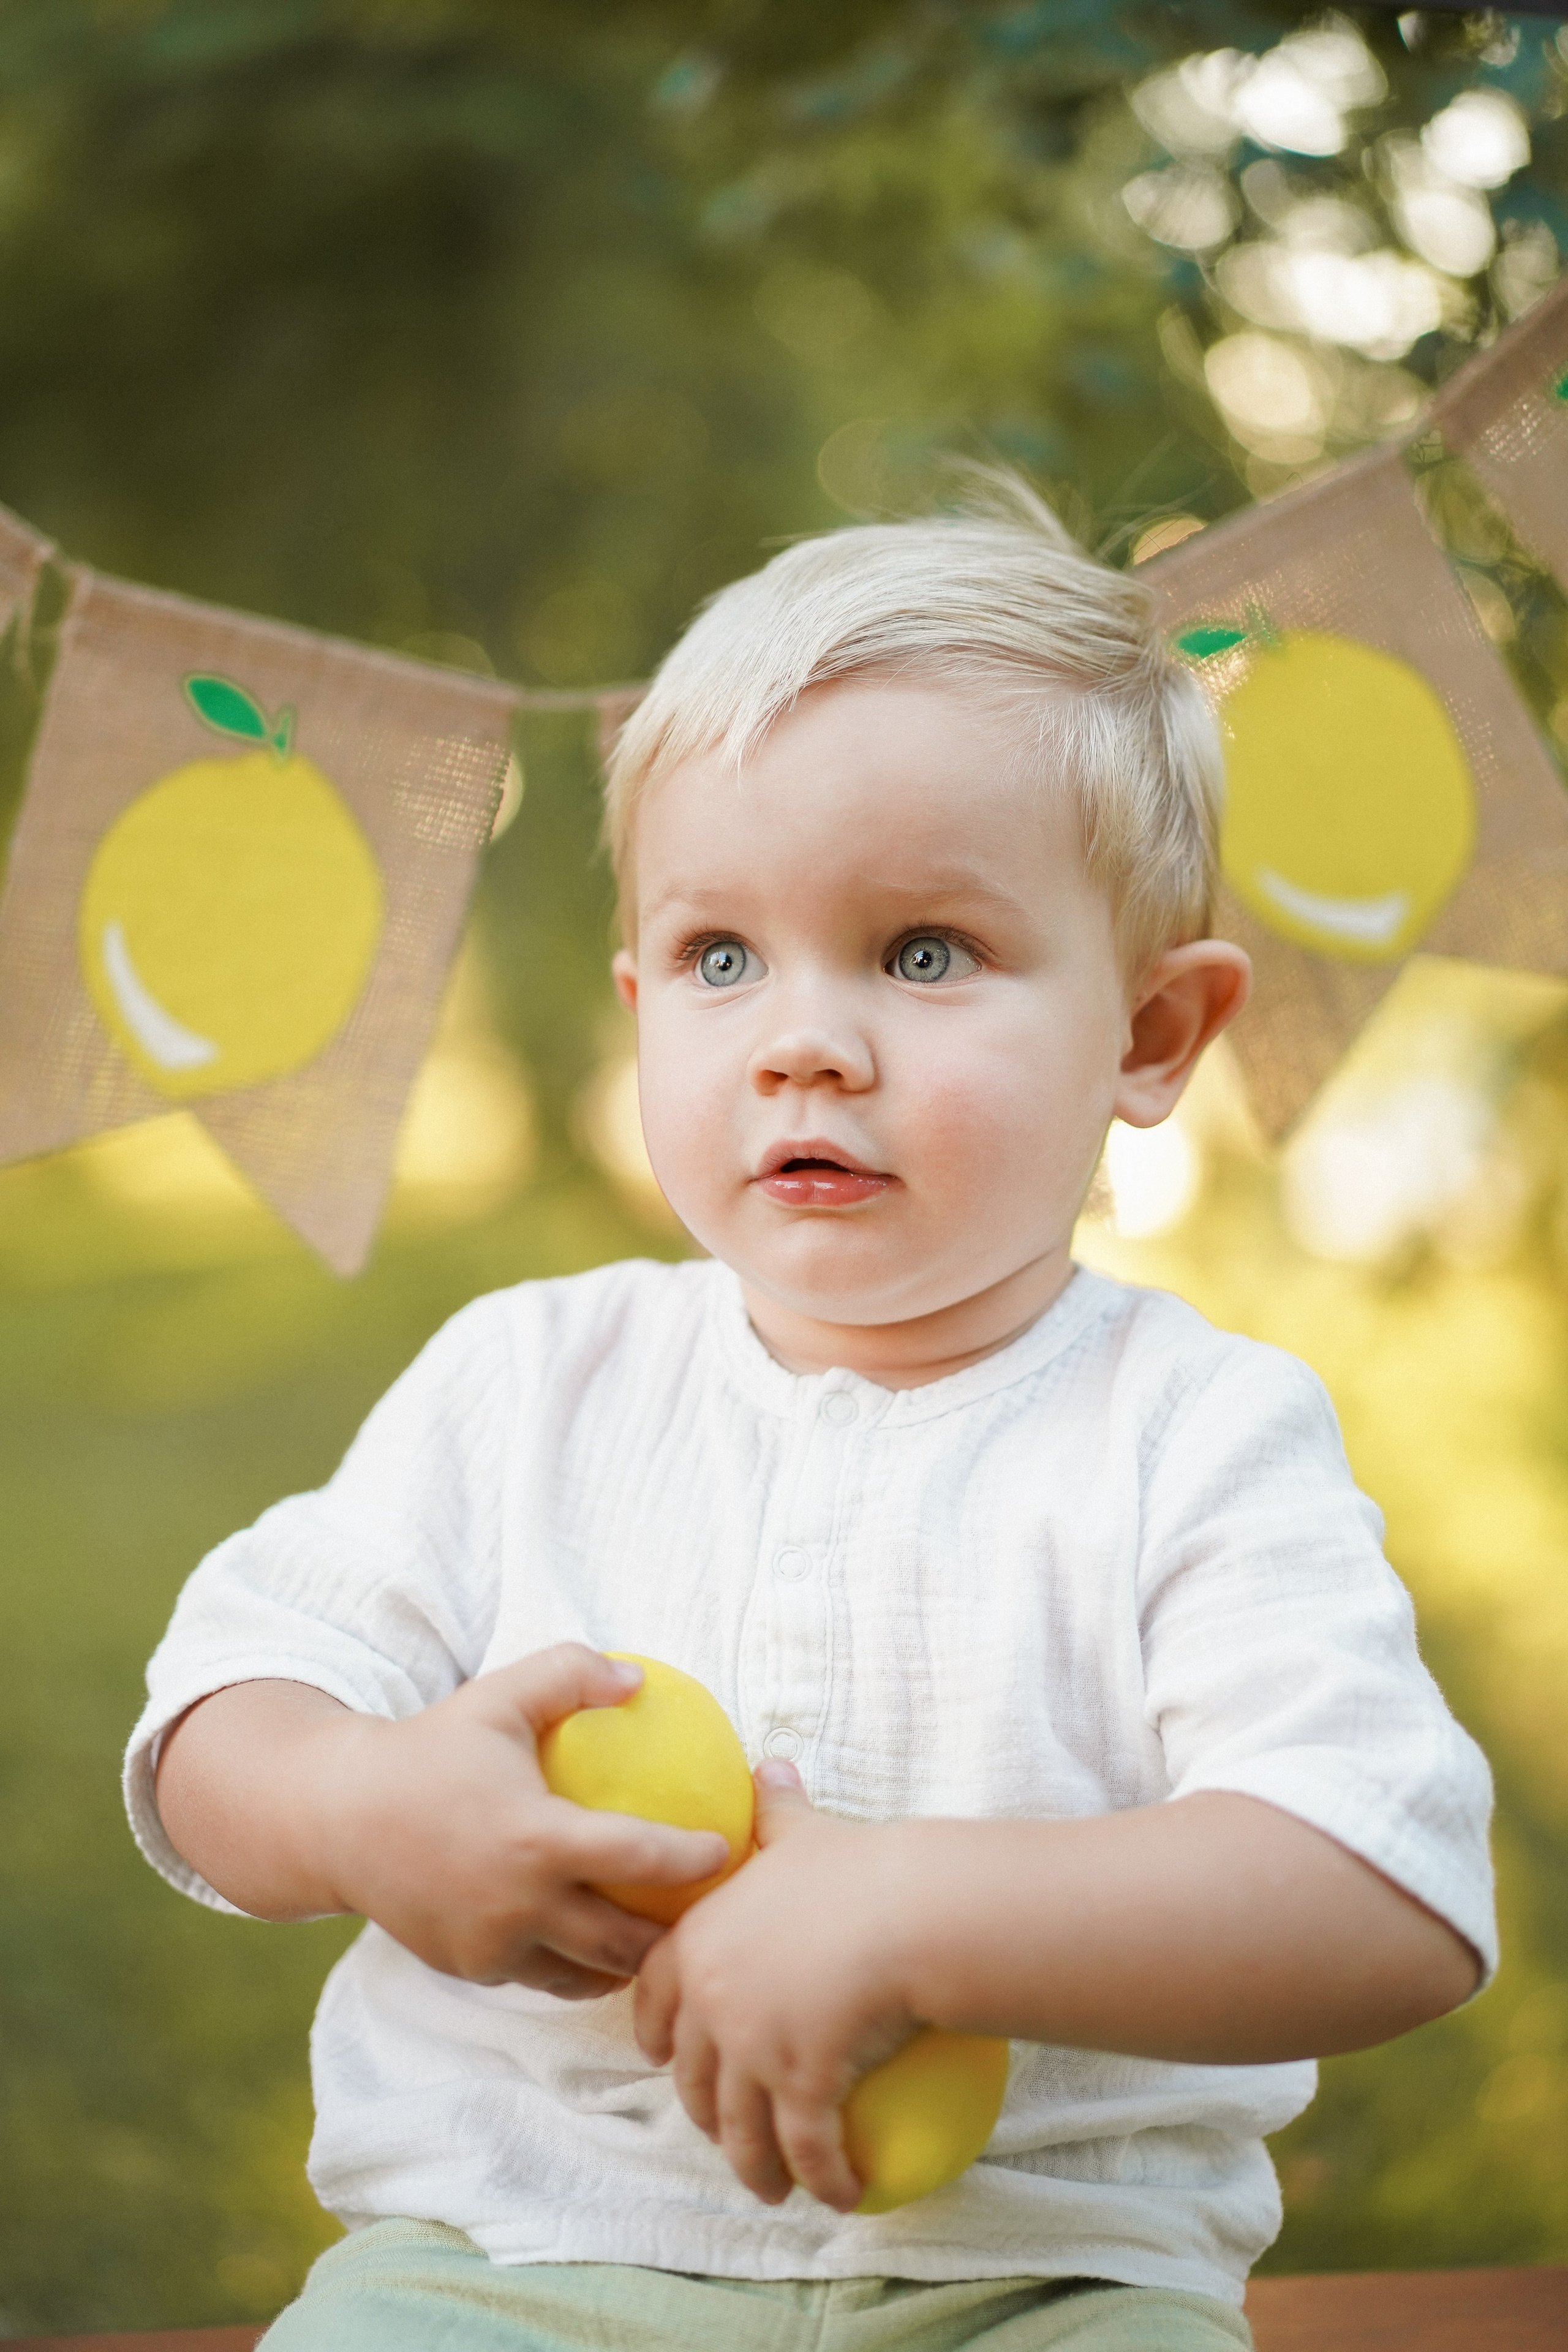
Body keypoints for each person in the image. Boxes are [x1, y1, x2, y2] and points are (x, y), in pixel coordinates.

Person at [127, 479, 1494, 2352]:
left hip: (1045, 2289)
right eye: (718, 959)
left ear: (1153, 1037)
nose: (803, 1039)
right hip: (510, 2267)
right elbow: (218, 1715)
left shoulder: (1199, 1434)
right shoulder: (530, 1381)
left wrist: (920, 1912)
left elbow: (1383, 1890)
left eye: (925, 952)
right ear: (641, 1007)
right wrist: (362, 1805)